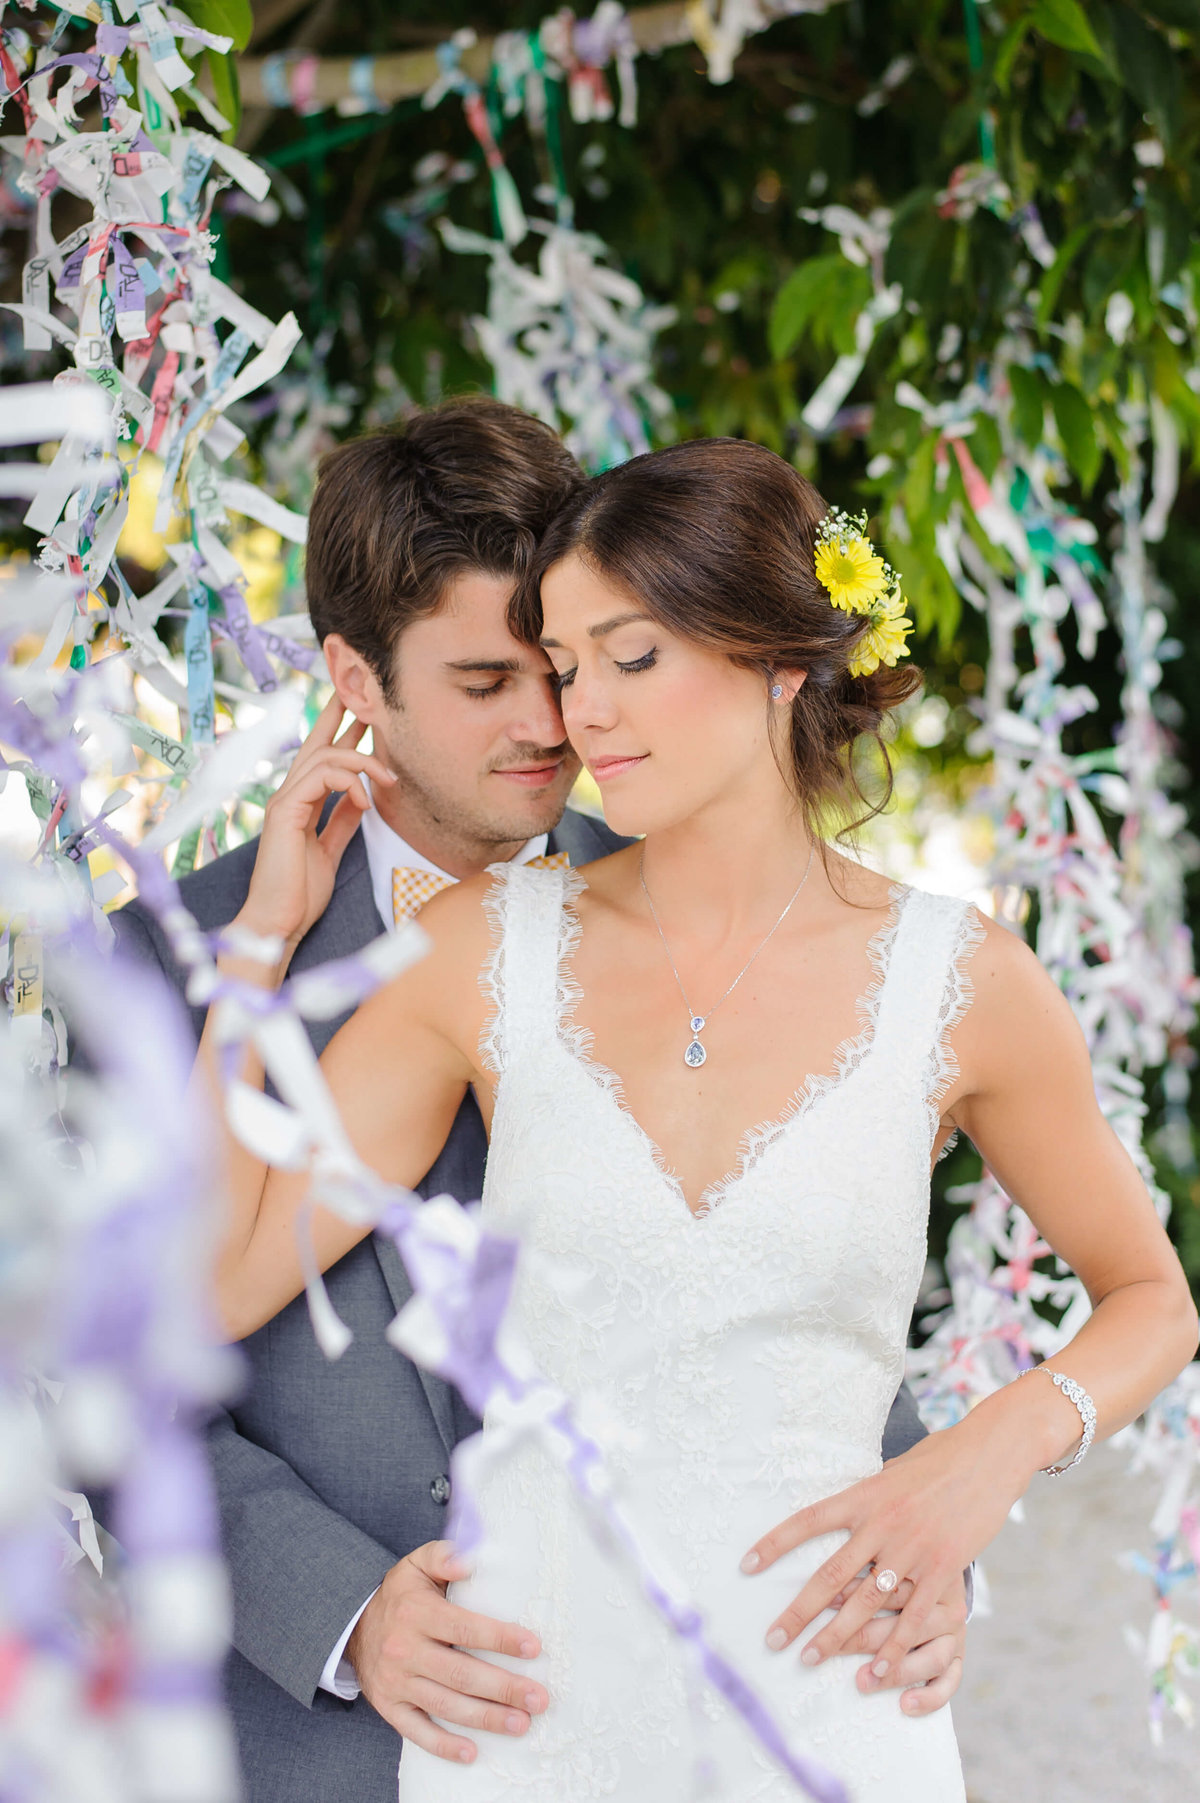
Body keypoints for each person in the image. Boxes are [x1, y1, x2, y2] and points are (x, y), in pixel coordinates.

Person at [203, 432, 1199, 1800]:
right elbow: (202, 1291)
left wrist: (985, 1457)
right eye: (563, 663)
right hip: (532, 1706)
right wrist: (258, 945)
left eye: (633, 656)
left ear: (779, 658)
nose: (580, 714)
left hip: (838, 1698)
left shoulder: (964, 983)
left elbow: (1154, 1298)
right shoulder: (483, 952)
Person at [115, 403, 962, 1801]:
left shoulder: (702, 905)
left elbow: (801, 1285)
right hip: (323, 1747)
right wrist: (341, 1611)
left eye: (560, 667)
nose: (548, 726)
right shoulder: (154, 971)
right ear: (353, 677)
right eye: (481, 681)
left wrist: (932, 1546)